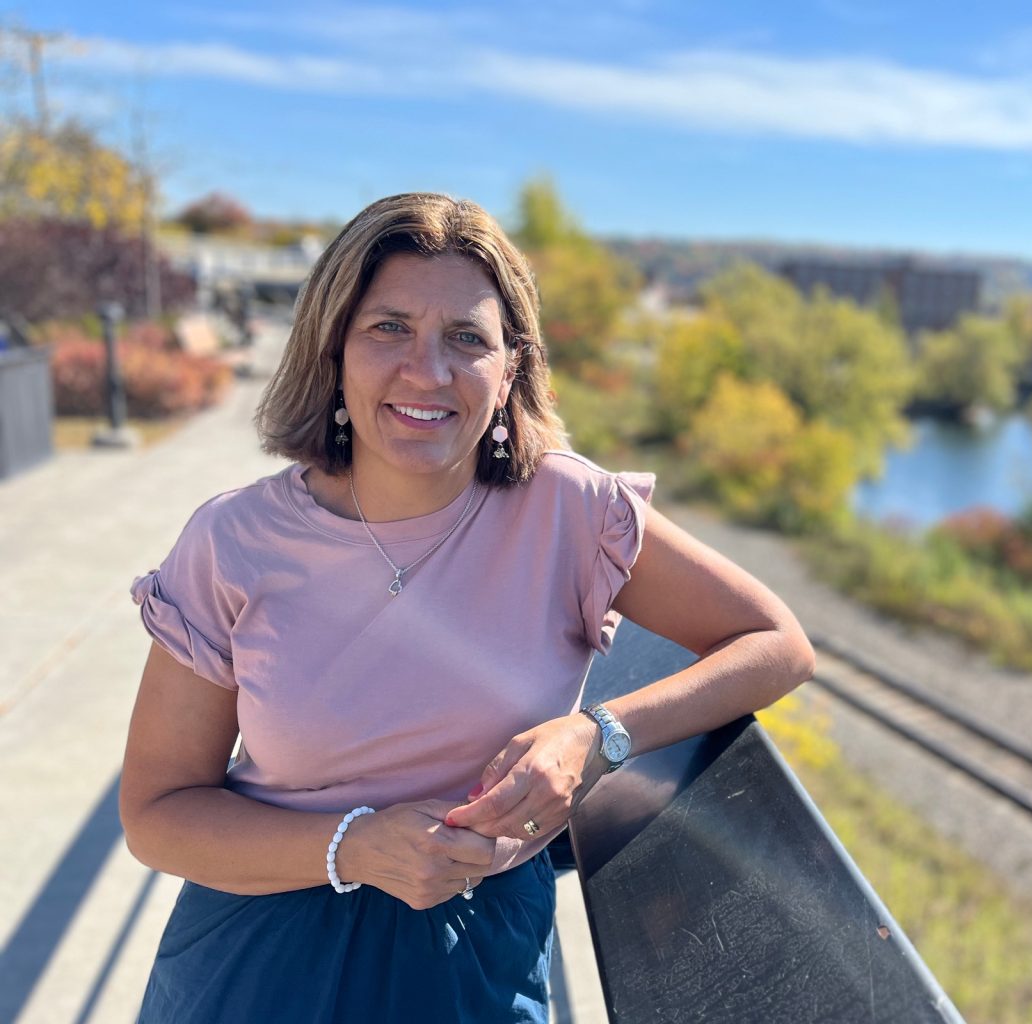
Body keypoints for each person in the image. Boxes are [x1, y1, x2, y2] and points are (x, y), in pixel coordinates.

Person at [119, 192, 816, 1023]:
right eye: (389, 328)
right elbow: (155, 815)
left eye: (466, 338)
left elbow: (776, 643)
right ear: (334, 349)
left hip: (471, 958)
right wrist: (352, 847)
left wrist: (599, 734)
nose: (428, 371)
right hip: (257, 959)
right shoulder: (235, 540)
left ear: (510, 368)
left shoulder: (572, 511)